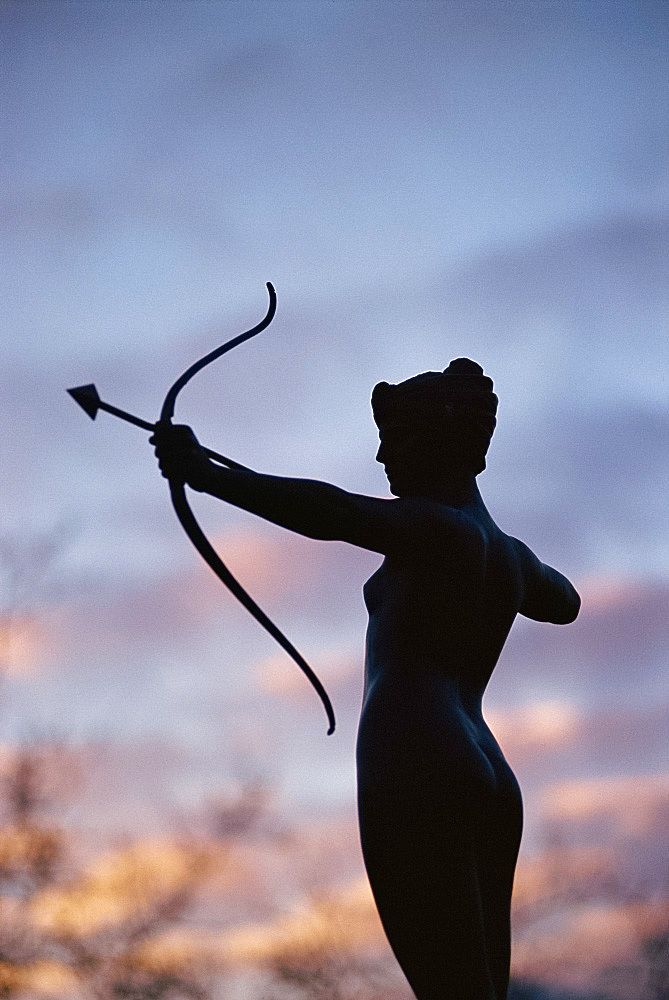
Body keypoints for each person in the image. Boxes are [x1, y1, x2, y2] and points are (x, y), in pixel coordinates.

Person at [151, 358, 580, 1000]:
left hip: (414, 744)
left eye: (397, 435)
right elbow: (565, 601)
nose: (381, 453)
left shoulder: (437, 529)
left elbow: (340, 513)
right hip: (489, 768)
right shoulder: (510, 555)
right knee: (481, 988)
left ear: (438, 440)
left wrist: (208, 476)